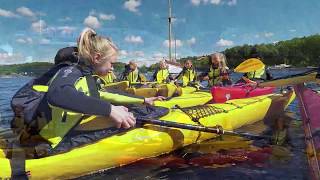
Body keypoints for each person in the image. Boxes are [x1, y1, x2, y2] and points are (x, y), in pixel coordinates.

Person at [42, 28, 164, 147]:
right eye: (111, 64)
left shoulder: (87, 76)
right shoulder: (71, 70)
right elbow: (58, 94)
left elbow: (104, 95)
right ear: (97, 58)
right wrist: (109, 109)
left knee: (130, 111)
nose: (112, 69)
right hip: (54, 141)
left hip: (70, 129)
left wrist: (143, 100)